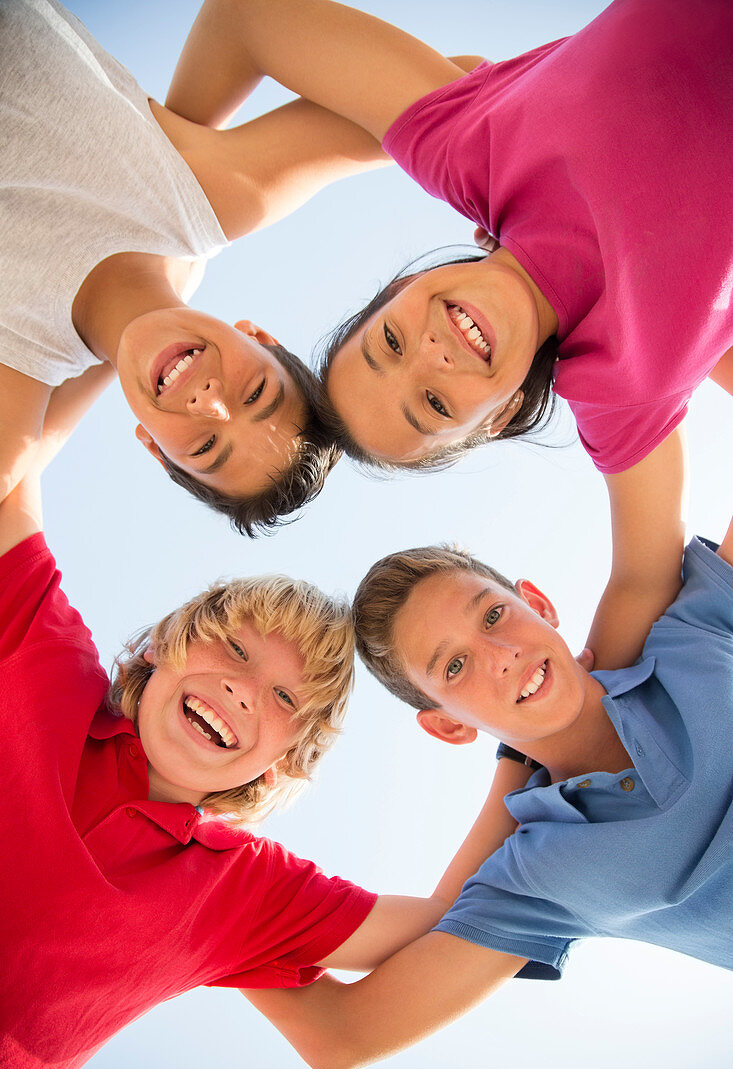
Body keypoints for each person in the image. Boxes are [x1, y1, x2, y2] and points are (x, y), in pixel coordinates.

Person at [0, 375, 534, 1069]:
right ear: (162, 647)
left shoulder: (237, 890)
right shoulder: (48, 666)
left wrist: (521, 755)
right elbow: (12, 470)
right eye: (234, 651)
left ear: (283, 764)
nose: (240, 691)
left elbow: (438, 925)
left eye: (283, 699)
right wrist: (120, 340)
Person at [205, 0, 733, 667]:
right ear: (500, 415)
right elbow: (642, 580)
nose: (430, 355)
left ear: (397, 292)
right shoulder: (621, 384)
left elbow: (246, 19)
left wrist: (172, 225)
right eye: (434, 403)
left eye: (389, 344)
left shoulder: (467, 146)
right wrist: (539, 755)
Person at [232, 517, 733, 1069]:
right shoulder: (535, 879)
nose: (500, 655)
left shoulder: (697, 629)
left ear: (539, 605)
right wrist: (209, 897)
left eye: (494, 616)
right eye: (455, 665)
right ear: (448, 727)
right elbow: (340, 1035)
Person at [0, 0, 394, 534]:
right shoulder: (204, 200)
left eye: (208, 447)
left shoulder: (22, 373)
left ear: (155, 450)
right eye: (255, 393)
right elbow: (451, 102)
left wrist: (102, 371)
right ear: (258, 336)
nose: (211, 404)